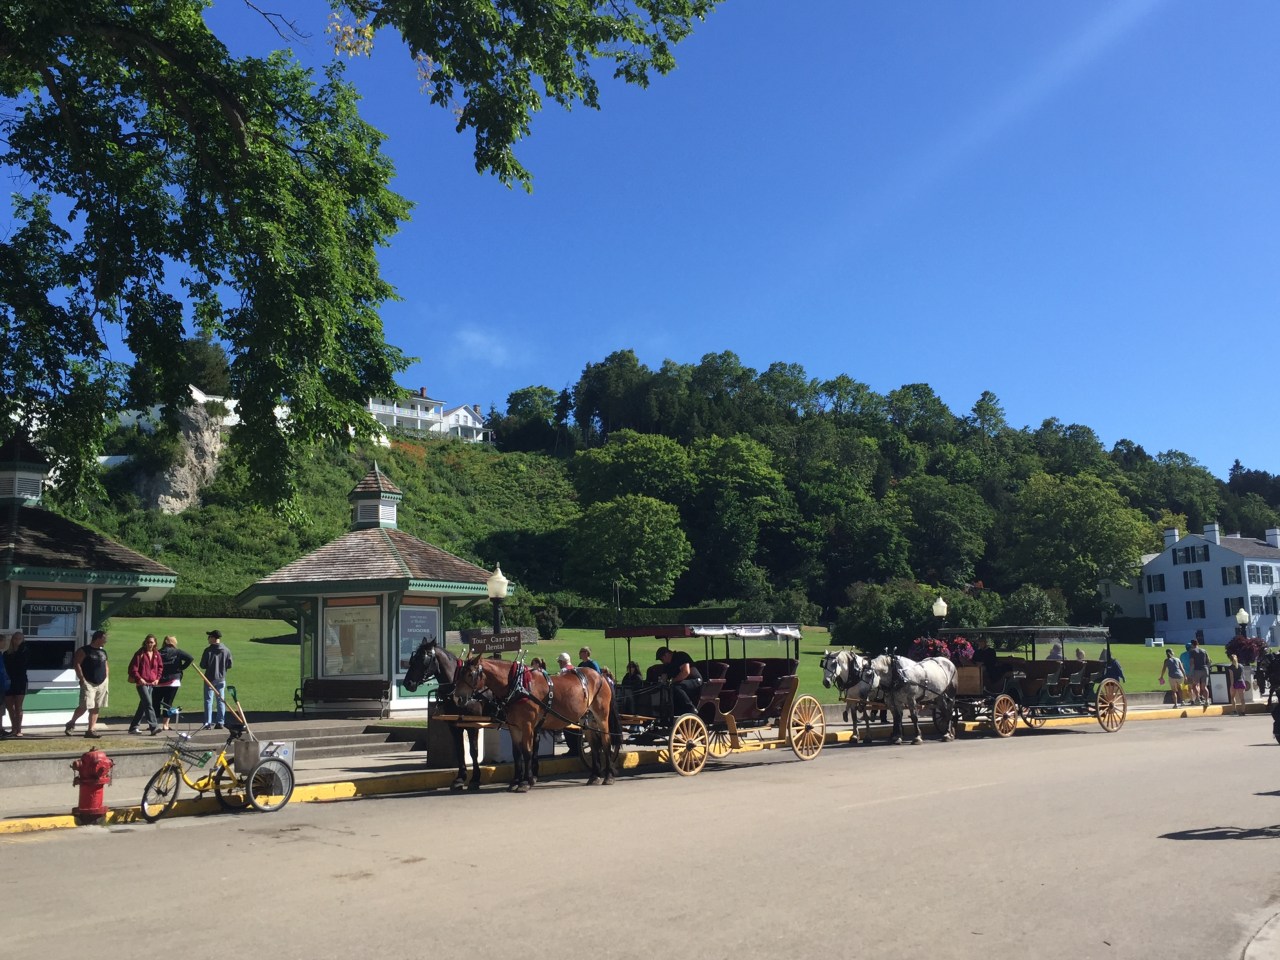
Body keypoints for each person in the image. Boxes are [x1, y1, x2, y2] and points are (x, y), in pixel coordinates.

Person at [66, 629, 109, 738]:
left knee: (96, 706)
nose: (106, 640)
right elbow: (77, 664)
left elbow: (106, 665)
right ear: (98, 638)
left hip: (101, 682)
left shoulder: (103, 651)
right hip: (88, 682)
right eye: (104, 638)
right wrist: (82, 678)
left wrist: (106, 678)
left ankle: (91, 729)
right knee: (84, 705)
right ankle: (71, 723)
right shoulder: (84, 650)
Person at [154, 634, 194, 730]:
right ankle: (165, 724)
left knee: (156, 702)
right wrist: (181, 668)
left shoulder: (158, 653)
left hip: (159, 681)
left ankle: (154, 724)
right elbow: (190, 658)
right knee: (168, 702)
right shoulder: (177, 652)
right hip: (173, 681)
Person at [127, 634, 164, 735]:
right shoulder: (140, 654)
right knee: (148, 703)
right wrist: (139, 678)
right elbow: (133, 668)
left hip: (151, 682)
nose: (149, 644)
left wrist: (157, 678)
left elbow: (160, 667)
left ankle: (133, 727)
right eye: (148, 642)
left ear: (155, 643)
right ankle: (154, 726)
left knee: (143, 705)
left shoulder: (157, 654)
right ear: (145, 642)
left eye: (151, 642)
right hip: (141, 683)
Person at [199, 629, 234, 729]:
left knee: (208, 701)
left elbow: (202, 665)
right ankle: (220, 722)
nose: (208, 639)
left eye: (209, 637)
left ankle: (208, 722)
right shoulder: (226, 650)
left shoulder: (208, 650)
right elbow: (230, 664)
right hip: (221, 679)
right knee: (221, 701)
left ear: (214, 638)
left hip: (209, 678)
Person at [655, 646, 702, 717]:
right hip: (680, 682)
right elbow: (664, 676)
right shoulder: (667, 665)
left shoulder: (680, 656)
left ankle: (691, 708)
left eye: (662, 659)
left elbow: (686, 672)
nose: (662, 661)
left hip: (695, 680)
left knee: (676, 687)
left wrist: (672, 681)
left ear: (666, 655)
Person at [3, 631, 29, 737]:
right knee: (10, 706)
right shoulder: (6, 653)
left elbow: (24, 664)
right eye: (15, 638)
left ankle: (19, 729)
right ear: (12, 639)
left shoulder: (25, 651)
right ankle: (13, 728)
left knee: (18, 706)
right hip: (8, 680)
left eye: (19, 638)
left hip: (20, 680)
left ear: (23, 640)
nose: (17, 640)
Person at [1188, 638, 1211, 706]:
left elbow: (1192, 663)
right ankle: (1207, 701)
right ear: (1198, 643)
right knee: (1204, 687)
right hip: (1205, 669)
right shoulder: (1204, 650)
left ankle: (1198, 699)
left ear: (1192, 644)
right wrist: (1207, 667)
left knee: (1195, 685)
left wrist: (1190, 673)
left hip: (1197, 670)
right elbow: (1209, 661)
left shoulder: (1192, 651)